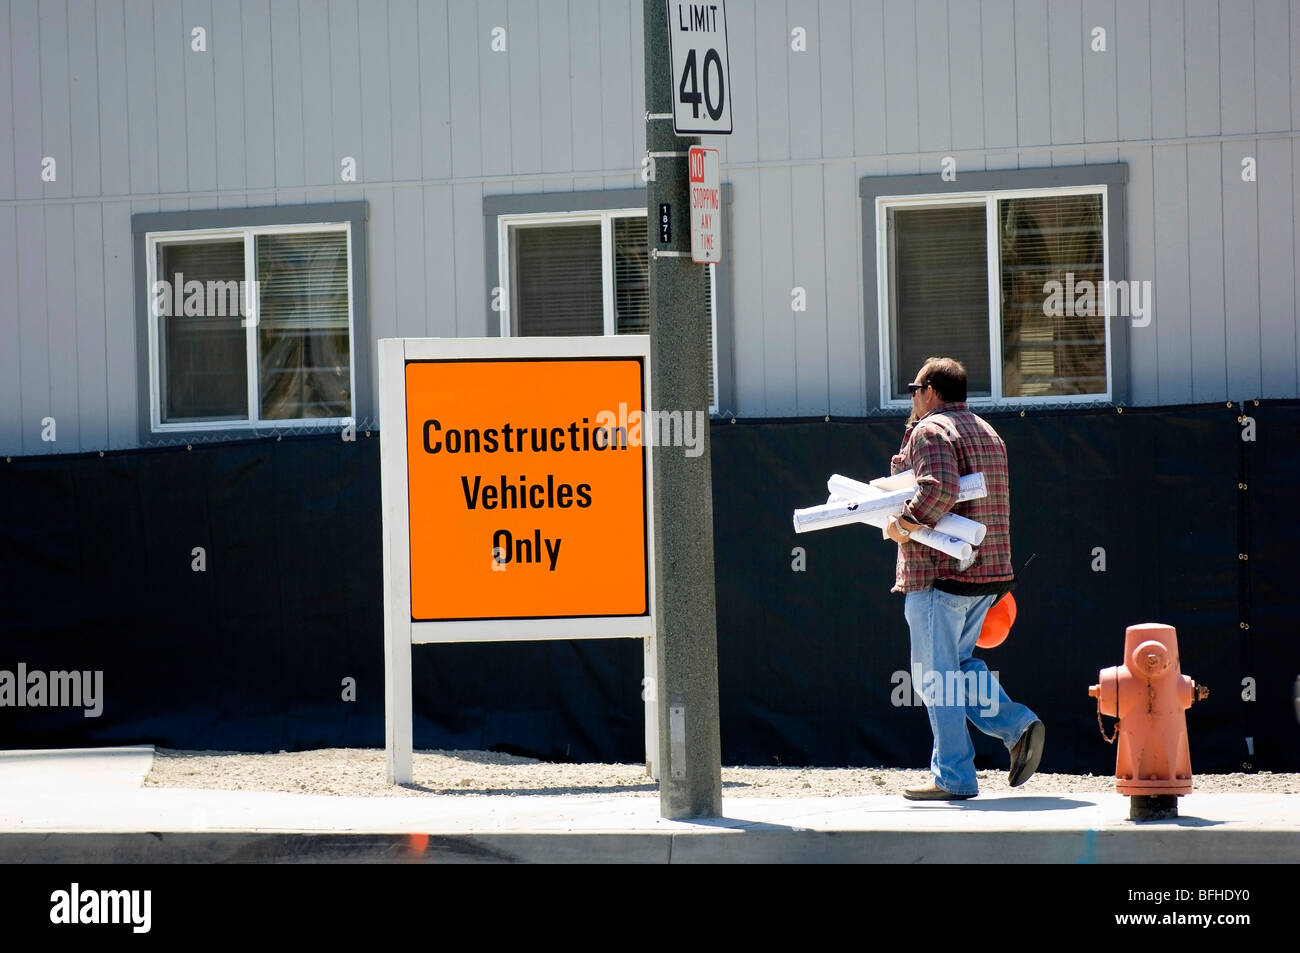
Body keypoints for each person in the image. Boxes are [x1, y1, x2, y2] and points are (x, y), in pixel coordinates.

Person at [883, 357, 1045, 800]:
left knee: (935, 679)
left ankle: (954, 777)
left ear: (931, 391)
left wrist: (905, 522)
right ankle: (1017, 726)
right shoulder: (985, 430)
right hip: (985, 574)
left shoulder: (931, 430)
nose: (911, 396)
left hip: (939, 576)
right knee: (956, 671)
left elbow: (937, 488)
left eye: (914, 388)